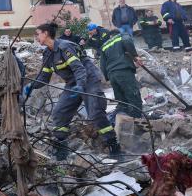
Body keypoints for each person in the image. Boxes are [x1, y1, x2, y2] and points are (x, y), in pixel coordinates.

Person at [24, 23, 120, 160]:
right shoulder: (47, 54)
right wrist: (31, 86)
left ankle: (114, 145)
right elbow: (44, 77)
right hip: (72, 84)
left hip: (89, 79)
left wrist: (81, 85)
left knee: (95, 112)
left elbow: (79, 68)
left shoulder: (65, 46)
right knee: (59, 112)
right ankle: (62, 148)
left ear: (45, 34)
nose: (36, 37)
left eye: (37, 33)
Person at [99, 30, 143, 118]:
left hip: (112, 74)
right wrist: (135, 56)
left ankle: (123, 118)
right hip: (123, 70)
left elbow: (102, 65)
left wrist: (108, 77)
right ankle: (137, 118)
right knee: (133, 94)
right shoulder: (121, 35)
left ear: (110, 36)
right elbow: (127, 41)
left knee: (121, 99)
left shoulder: (104, 46)